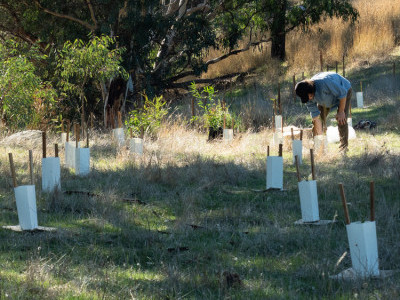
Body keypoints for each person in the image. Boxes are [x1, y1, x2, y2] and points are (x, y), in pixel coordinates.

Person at [295, 72, 352, 152]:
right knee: (317, 123)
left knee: (341, 120)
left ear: (311, 90)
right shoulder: (307, 98)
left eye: (309, 96)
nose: (309, 100)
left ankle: (343, 148)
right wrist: (321, 137)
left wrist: (341, 111)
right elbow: (316, 117)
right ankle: (318, 149)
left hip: (344, 92)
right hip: (325, 99)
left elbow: (342, 93)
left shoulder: (325, 83)